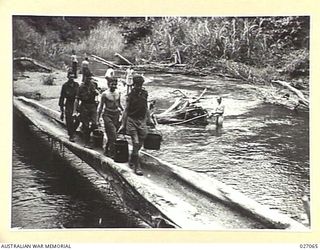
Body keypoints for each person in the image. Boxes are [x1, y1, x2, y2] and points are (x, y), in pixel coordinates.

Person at [118, 75, 154, 176]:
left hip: (141, 120)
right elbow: (126, 110)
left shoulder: (144, 93)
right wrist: (122, 124)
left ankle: (133, 158)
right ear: (134, 85)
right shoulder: (130, 96)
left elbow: (146, 107)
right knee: (136, 142)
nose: (138, 87)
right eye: (137, 85)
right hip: (131, 120)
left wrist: (149, 119)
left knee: (141, 140)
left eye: (140, 85)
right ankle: (137, 166)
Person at [97, 77, 124, 158]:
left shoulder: (118, 93)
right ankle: (112, 152)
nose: (114, 86)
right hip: (107, 115)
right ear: (108, 84)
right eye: (112, 84)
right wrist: (98, 119)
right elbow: (101, 107)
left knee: (112, 134)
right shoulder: (105, 94)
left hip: (116, 114)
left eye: (115, 84)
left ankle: (106, 149)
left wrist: (124, 112)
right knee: (113, 132)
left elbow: (119, 104)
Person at [73, 74, 99, 148]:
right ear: (84, 78)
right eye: (87, 78)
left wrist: (96, 94)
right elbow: (77, 99)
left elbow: (97, 95)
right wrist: (75, 110)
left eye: (90, 78)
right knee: (86, 125)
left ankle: (84, 132)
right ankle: (86, 142)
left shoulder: (94, 85)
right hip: (84, 106)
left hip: (93, 106)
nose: (89, 80)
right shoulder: (81, 87)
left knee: (95, 124)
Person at [58, 71, 79, 142]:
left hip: (76, 103)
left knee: (78, 119)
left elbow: (79, 95)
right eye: (70, 77)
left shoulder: (76, 85)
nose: (72, 78)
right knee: (69, 119)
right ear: (68, 77)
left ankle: (73, 131)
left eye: (73, 77)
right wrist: (62, 111)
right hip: (69, 103)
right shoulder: (65, 85)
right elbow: (62, 97)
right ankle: (71, 135)